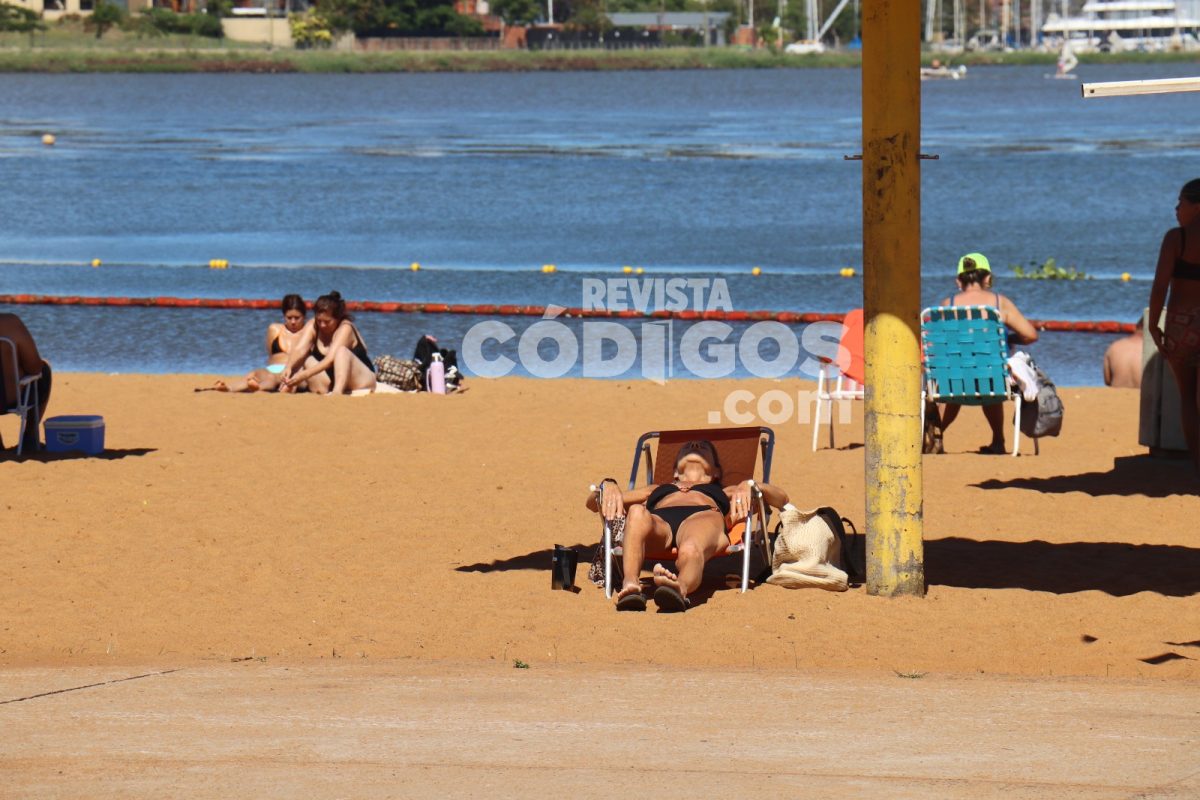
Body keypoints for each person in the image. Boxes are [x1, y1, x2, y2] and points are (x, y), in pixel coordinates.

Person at [586, 440, 789, 612]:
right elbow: (594, 504)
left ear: (716, 471)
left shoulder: (729, 491)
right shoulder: (656, 489)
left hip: (703, 518)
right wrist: (608, 485)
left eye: (703, 447)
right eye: (687, 447)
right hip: (660, 524)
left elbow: (782, 499)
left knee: (691, 548)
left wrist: (752, 485)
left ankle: (679, 588)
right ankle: (630, 583)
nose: (694, 446)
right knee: (637, 512)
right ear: (675, 471)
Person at [927, 252, 1039, 455]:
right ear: (987, 278)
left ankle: (936, 435)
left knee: (963, 370)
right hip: (993, 380)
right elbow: (1030, 335)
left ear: (958, 281)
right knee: (989, 368)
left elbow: (936, 342)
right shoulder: (999, 303)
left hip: (954, 380)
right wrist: (1008, 339)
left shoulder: (946, 305)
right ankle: (998, 440)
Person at [1148, 178, 1200, 470]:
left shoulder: (1176, 239)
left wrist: (1153, 325)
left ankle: (1198, 464)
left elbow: (1160, 287)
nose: (1176, 209)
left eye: (1181, 203)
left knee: (1188, 399)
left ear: (1197, 207)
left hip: (1182, 327)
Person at [206, 294, 308, 393]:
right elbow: (271, 355)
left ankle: (259, 388)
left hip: (296, 371)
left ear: (304, 316)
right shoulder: (275, 329)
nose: (293, 322)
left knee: (273, 379)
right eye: (289, 318)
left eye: (297, 318)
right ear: (284, 316)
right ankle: (229, 388)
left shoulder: (308, 332)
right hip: (274, 369)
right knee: (255, 374)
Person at [281, 291, 377, 395]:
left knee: (341, 352)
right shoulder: (313, 325)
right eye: (319, 320)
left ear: (337, 318)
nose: (322, 325)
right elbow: (300, 349)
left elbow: (330, 360)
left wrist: (303, 375)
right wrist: (288, 367)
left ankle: (337, 392)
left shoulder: (345, 328)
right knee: (306, 359)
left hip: (362, 378)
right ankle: (289, 386)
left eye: (327, 322)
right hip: (332, 378)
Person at [0, 312, 52, 453]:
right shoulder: (9, 323)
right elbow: (35, 368)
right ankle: (30, 437)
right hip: (8, 400)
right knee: (44, 370)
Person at [1103, 319, 1144, 389]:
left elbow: (1107, 381)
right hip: (1145, 394)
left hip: (1117, 394)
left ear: (1136, 327)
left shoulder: (1114, 347)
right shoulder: (1154, 350)